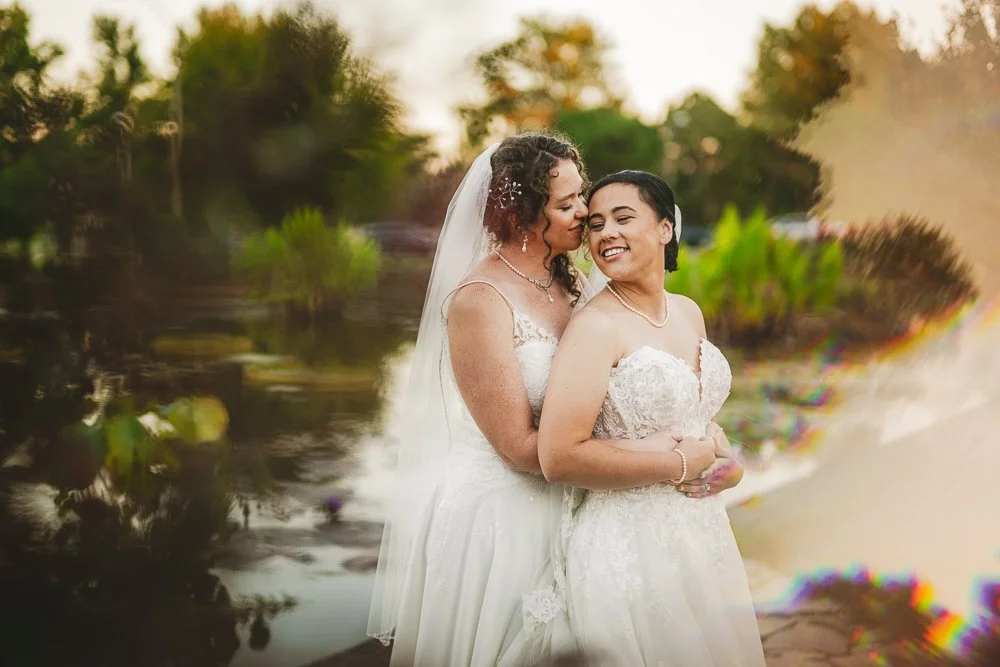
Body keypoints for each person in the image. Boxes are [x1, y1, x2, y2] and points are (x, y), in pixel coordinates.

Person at [367, 135, 717, 666]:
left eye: (582, 196)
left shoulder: (575, 283)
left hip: (585, 501)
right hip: (506, 519)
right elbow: (516, 448)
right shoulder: (480, 301)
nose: (584, 212)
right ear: (520, 215)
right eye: (567, 203)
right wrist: (654, 455)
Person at [538, 170, 766, 666]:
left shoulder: (688, 312)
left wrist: (727, 465)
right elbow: (559, 457)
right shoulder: (594, 327)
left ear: (665, 229)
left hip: (701, 536)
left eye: (624, 218)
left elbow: (696, 421)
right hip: (630, 548)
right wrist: (683, 464)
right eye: (595, 224)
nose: (606, 234)